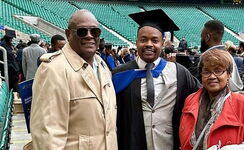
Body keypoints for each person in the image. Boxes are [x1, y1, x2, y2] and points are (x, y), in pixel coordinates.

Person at [112, 9, 200, 150]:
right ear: (136, 42)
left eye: (154, 40)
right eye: (143, 40)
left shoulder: (178, 73)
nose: (149, 44)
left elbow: (204, 94)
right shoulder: (120, 74)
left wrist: (242, 96)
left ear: (163, 43)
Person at [30, 9, 117, 150]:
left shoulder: (101, 64)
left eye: (94, 32)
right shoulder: (53, 70)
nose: (89, 36)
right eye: (82, 31)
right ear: (68, 34)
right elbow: (47, 137)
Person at [179, 49, 244, 150]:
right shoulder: (190, 100)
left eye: (218, 71)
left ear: (229, 74)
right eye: (206, 71)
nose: (212, 76)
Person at [199, 20, 244, 92]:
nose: (212, 76)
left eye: (218, 71)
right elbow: (237, 87)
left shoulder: (204, 58)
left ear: (207, 37)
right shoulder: (229, 56)